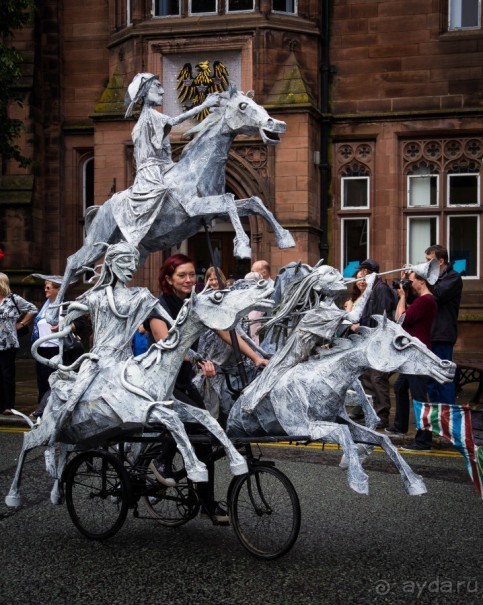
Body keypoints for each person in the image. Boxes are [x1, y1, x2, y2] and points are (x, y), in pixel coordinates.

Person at [147, 253, 267, 524]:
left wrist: (256, 356)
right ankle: (161, 461)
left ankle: (208, 505)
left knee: (206, 437)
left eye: (192, 275)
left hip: (183, 381)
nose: (189, 280)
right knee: (193, 423)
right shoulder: (158, 307)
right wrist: (199, 358)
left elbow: (226, 330)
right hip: (159, 383)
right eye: (182, 275)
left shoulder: (196, 304)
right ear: (168, 279)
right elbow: (166, 343)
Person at [113, 73, 220, 246]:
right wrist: (205, 105)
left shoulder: (151, 117)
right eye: (157, 86)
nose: (162, 91)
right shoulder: (149, 116)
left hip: (165, 166)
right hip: (153, 172)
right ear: (145, 91)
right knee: (161, 196)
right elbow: (175, 120)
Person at [386, 268, 437, 451]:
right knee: (400, 387)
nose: (411, 283)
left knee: (419, 397)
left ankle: (424, 441)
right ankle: (400, 427)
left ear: (422, 281)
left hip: (418, 355)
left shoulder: (426, 300)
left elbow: (400, 318)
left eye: (413, 280)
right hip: (412, 354)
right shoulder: (422, 300)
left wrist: (401, 296)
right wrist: (404, 292)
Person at [350, 259, 398, 429]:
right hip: (368, 342)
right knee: (367, 378)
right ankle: (371, 414)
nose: (360, 275)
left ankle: (382, 416)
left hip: (378, 342)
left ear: (368, 271)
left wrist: (364, 329)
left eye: (362, 271)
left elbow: (381, 318)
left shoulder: (381, 290)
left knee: (378, 378)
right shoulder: (372, 289)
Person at [424, 244, 463, 405]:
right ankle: (436, 419)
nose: (425, 264)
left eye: (429, 260)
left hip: (442, 334)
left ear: (440, 261)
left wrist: (423, 279)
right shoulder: (432, 279)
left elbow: (438, 295)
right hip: (429, 333)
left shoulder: (453, 277)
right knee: (430, 380)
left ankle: (448, 421)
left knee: (443, 379)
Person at [0, 273, 37, 415]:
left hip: (8, 343)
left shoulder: (13, 299)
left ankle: (8, 406)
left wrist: (21, 324)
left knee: (6, 374)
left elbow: (33, 309)